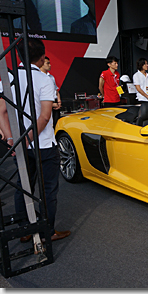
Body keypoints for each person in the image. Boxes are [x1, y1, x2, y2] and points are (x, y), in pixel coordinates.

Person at [11, 38, 70, 242]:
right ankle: (47, 232)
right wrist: (28, 139)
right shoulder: (44, 79)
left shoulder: (9, 78)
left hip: (20, 144)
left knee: (23, 187)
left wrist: (13, 139)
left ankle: (25, 229)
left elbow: (1, 111)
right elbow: (45, 116)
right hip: (43, 144)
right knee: (48, 189)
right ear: (43, 56)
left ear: (18, 54)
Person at [39, 56, 61, 127]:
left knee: (56, 123)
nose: (50, 65)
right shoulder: (38, 77)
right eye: (47, 63)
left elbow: (56, 90)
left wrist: (59, 101)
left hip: (54, 101)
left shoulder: (51, 77)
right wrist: (51, 105)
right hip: (45, 103)